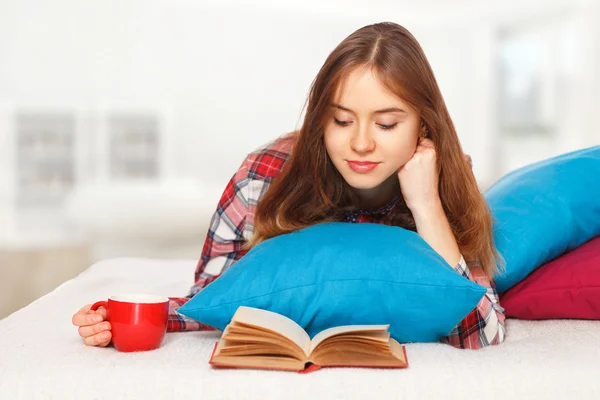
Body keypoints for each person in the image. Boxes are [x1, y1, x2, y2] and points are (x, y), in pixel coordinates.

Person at [72, 22, 506, 350]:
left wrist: (426, 204)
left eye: (387, 123)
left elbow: (482, 331)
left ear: (423, 126)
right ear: (320, 119)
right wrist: (129, 319)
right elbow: (209, 301)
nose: (360, 143)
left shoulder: (443, 174)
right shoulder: (263, 176)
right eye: (341, 120)